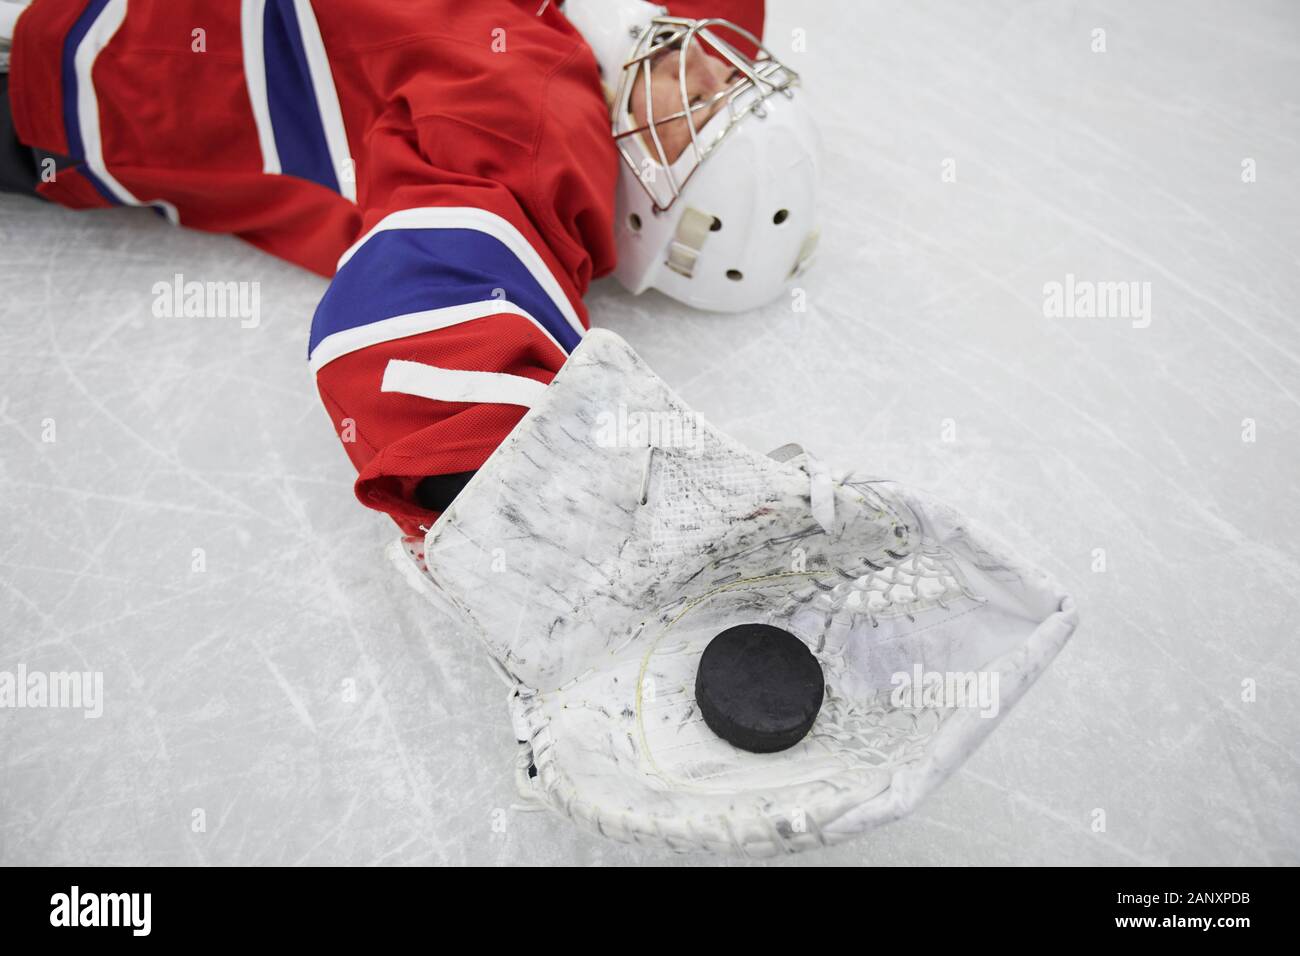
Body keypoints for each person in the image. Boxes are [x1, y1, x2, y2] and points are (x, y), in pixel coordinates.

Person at [0, 0, 819, 535]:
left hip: (57, 79)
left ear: (645, 207)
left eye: (705, 113)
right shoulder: (628, 34)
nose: (710, 67)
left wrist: (525, 502)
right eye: (733, 75)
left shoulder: (531, 105)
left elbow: (441, 300)